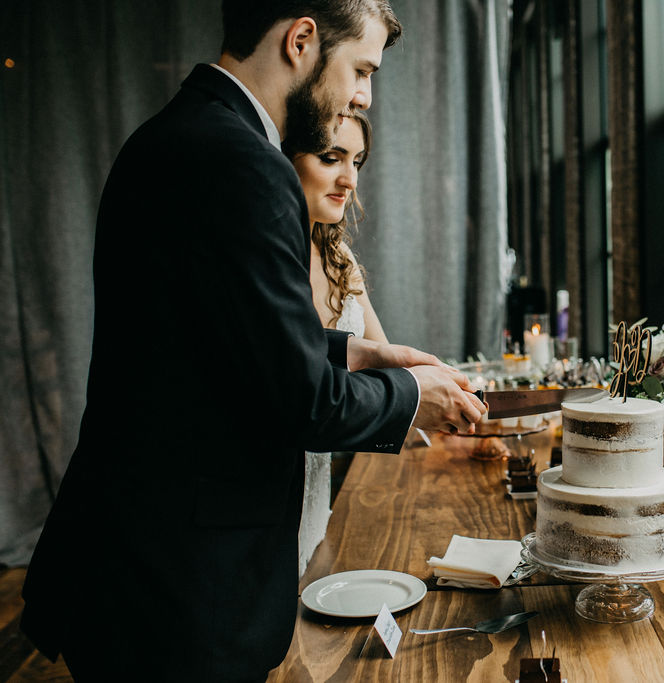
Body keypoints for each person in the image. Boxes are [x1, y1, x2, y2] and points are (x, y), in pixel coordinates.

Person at [20, 2, 485, 680]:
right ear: (300, 40)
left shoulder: (164, 138)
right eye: (360, 69)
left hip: (123, 564)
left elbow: (203, 346)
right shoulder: (247, 164)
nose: (364, 95)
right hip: (184, 590)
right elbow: (305, 405)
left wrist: (356, 353)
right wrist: (413, 390)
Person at [289, 111, 385, 576]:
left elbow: (383, 357)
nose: (349, 180)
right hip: (268, 487)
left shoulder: (338, 257)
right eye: (332, 158)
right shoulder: (265, 258)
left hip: (318, 486)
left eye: (358, 161)